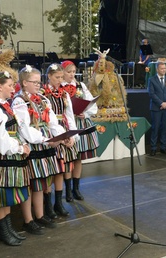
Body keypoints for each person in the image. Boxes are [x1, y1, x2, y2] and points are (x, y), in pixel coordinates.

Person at [0, 71, 31, 246]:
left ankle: (9, 228)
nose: (13, 88)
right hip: (0, 157)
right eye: (10, 85)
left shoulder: (4, 105)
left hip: (8, 156)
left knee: (6, 194)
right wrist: (19, 147)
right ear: (0, 87)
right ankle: (3, 231)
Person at [12, 65, 60, 232]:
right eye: (35, 82)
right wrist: (47, 140)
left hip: (45, 143)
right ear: (24, 83)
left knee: (41, 182)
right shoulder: (19, 101)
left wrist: (61, 136)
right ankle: (28, 219)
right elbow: (24, 128)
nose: (39, 85)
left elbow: (52, 121)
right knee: (30, 184)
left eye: (40, 82)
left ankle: (40, 216)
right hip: (33, 144)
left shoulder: (42, 99)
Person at [42, 63, 79, 217]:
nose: (59, 80)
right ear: (49, 76)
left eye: (61, 77)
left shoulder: (64, 93)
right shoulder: (43, 93)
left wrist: (72, 135)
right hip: (52, 131)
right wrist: (61, 136)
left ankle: (58, 202)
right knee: (51, 170)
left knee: (62, 169)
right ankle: (48, 205)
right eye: (57, 77)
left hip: (64, 130)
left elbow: (69, 115)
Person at [61, 60, 99, 202]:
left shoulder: (80, 86)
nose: (71, 74)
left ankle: (76, 188)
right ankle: (67, 189)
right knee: (67, 158)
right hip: (67, 124)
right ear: (62, 72)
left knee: (78, 158)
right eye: (68, 72)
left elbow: (91, 103)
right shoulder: (59, 88)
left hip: (80, 122)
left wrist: (86, 113)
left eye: (73, 72)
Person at [148, 61, 166, 156]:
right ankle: (153, 148)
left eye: (165, 68)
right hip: (156, 108)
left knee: (165, 128)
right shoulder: (152, 79)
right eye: (162, 69)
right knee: (155, 128)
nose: (164, 70)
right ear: (157, 69)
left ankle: (163, 147)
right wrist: (161, 103)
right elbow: (151, 93)